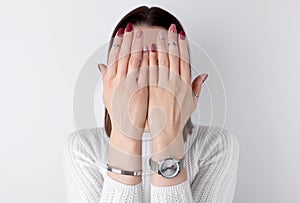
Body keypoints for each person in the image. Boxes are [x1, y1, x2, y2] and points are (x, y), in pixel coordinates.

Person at [64, 6, 239, 203]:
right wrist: (125, 138)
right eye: (133, 65)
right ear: (111, 82)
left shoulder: (217, 147)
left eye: (162, 67)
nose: (149, 82)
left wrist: (167, 139)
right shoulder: (83, 149)